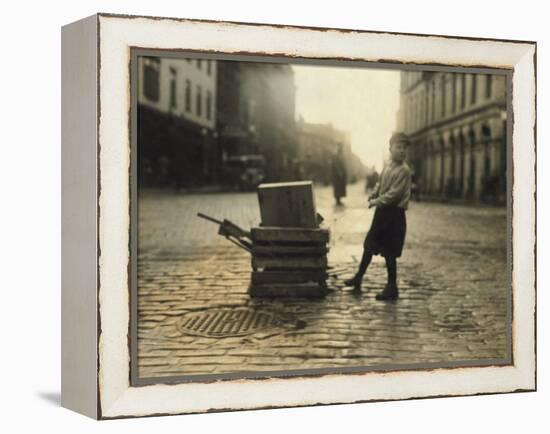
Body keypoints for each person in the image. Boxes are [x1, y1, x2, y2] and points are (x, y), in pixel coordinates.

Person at [344, 132, 412, 301]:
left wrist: (377, 201)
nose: (402, 151)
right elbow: (380, 184)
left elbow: (394, 194)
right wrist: (373, 195)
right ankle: (358, 277)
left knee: (390, 252)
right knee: (370, 245)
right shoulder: (388, 167)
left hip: (394, 215)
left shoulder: (404, 171)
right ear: (390, 148)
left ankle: (392, 287)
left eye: (404, 148)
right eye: (398, 147)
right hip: (382, 213)